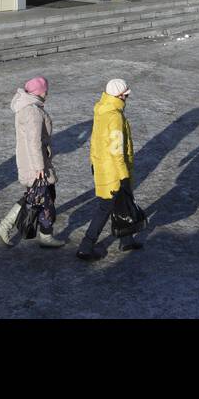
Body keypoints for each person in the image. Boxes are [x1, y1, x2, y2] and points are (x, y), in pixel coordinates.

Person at [0, 75, 64, 248]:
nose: (47, 92)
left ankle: (43, 234)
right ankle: (8, 226)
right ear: (40, 92)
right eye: (46, 90)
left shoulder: (28, 107)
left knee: (43, 195)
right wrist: (39, 166)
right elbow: (34, 142)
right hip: (35, 164)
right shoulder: (33, 112)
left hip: (32, 161)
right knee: (39, 198)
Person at [77, 78, 141, 261]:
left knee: (122, 204)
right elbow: (116, 150)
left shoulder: (102, 109)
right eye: (126, 95)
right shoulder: (114, 116)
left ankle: (126, 240)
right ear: (120, 95)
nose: (127, 98)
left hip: (101, 165)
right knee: (106, 207)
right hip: (112, 170)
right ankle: (85, 247)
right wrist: (124, 176)